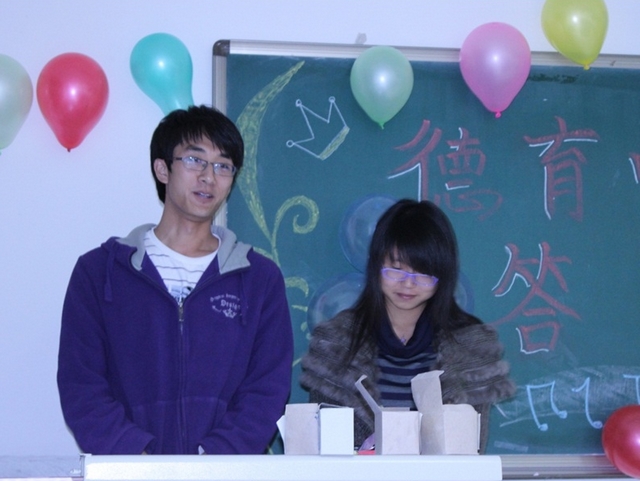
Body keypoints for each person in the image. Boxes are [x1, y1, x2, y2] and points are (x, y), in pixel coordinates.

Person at [57, 105, 293, 455]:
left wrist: (213, 461)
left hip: (223, 474)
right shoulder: (99, 273)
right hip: (130, 473)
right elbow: (82, 384)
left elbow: (267, 389)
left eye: (223, 166)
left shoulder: (259, 280)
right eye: (195, 160)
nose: (209, 177)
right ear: (162, 169)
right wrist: (137, 460)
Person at [300, 199, 515, 453]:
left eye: (422, 273)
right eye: (396, 269)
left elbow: (471, 449)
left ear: (443, 275)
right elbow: (326, 447)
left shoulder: (470, 348)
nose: (408, 283)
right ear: (376, 265)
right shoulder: (337, 343)